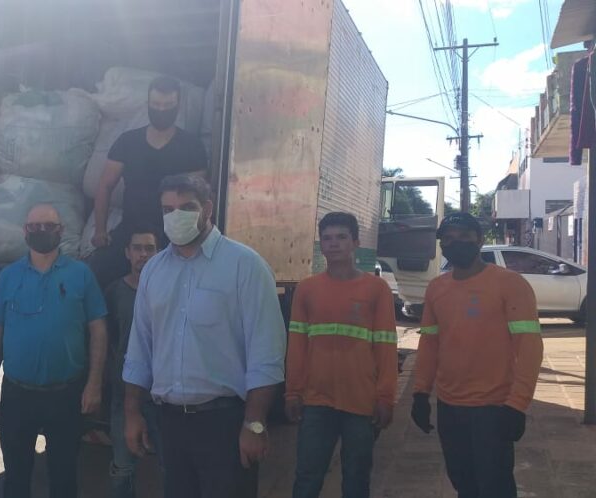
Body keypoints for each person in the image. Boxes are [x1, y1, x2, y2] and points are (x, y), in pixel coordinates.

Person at [122, 174, 286, 498]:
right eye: (167, 209)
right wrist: (132, 414)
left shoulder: (246, 266)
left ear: (207, 209)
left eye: (186, 207)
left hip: (224, 423)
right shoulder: (154, 270)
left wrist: (254, 424)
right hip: (169, 423)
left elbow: (266, 354)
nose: (175, 216)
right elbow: (140, 348)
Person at [0, 203, 109, 498]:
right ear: (25, 232)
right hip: (17, 394)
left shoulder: (81, 274)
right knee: (16, 476)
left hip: (66, 394)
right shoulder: (9, 276)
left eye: (48, 226)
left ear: (60, 231)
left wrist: (94, 384)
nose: (41, 231)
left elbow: (98, 329)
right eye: (34, 226)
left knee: (63, 476)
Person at [411, 212, 544, 498]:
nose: (455, 243)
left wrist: (517, 404)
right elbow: (429, 345)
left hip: (493, 408)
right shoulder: (437, 288)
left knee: (494, 486)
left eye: (464, 237)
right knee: (463, 481)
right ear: (442, 246)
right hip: (450, 405)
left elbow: (530, 348)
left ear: (480, 240)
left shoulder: (510, 284)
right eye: (448, 239)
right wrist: (420, 393)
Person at [286, 212, 398, 498]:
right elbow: (297, 345)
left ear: (355, 243)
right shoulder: (307, 289)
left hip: (361, 402)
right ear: (321, 245)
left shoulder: (377, 289)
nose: (333, 244)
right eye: (327, 238)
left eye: (341, 237)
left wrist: (385, 397)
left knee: (357, 480)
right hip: (315, 400)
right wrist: (292, 392)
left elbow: (386, 346)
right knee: (307, 477)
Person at [89, 76, 208, 287]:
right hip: (130, 231)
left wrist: (194, 238)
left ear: (177, 107)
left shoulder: (192, 147)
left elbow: (199, 197)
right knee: (95, 272)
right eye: (156, 105)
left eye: (168, 105)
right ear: (148, 105)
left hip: (173, 236)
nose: (162, 110)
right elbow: (105, 186)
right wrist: (100, 231)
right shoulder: (128, 142)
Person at [106, 225, 162, 498]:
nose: (143, 254)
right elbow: (109, 340)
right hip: (125, 395)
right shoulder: (115, 292)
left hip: (164, 397)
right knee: (123, 468)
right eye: (137, 248)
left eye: (149, 248)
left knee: (170, 467)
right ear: (127, 253)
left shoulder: (168, 290)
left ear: (158, 252)